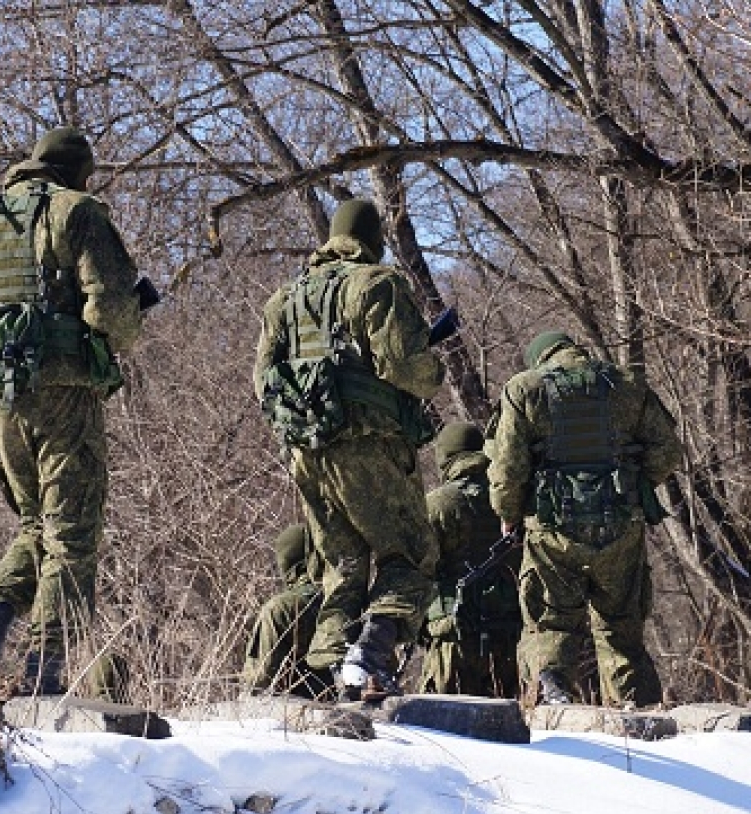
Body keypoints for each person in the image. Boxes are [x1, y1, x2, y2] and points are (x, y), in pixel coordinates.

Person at [0, 126, 147, 695]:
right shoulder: (78, 212)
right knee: (72, 533)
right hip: (66, 395)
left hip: (0, 400)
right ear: (78, 172)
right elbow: (115, 308)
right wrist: (94, 352)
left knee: (35, 525)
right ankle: (44, 670)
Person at [253, 198, 444, 702]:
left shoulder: (285, 299)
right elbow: (411, 369)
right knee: (412, 556)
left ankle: (320, 671)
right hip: (369, 446)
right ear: (373, 240)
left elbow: (261, 384)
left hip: (307, 452)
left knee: (341, 568)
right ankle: (370, 653)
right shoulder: (376, 284)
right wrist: (431, 368)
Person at [488, 331, 681, 708]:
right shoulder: (626, 383)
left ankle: (551, 694)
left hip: (553, 529)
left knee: (552, 620)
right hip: (619, 526)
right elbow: (667, 450)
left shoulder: (524, 388)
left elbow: (508, 465)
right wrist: (635, 486)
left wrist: (508, 513)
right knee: (621, 625)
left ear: (540, 359)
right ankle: (636, 711)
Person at [420, 423, 522, 699]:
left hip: (452, 637)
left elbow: (416, 571)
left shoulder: (437, 504)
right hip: (511, 639)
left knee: (443, 727)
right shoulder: (511, 500)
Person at [242, 524, 331, 699]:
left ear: (287, 562)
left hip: (296, 717)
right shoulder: (351, 600)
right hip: (358, 713)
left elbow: (261, 678)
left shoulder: (281, 607)